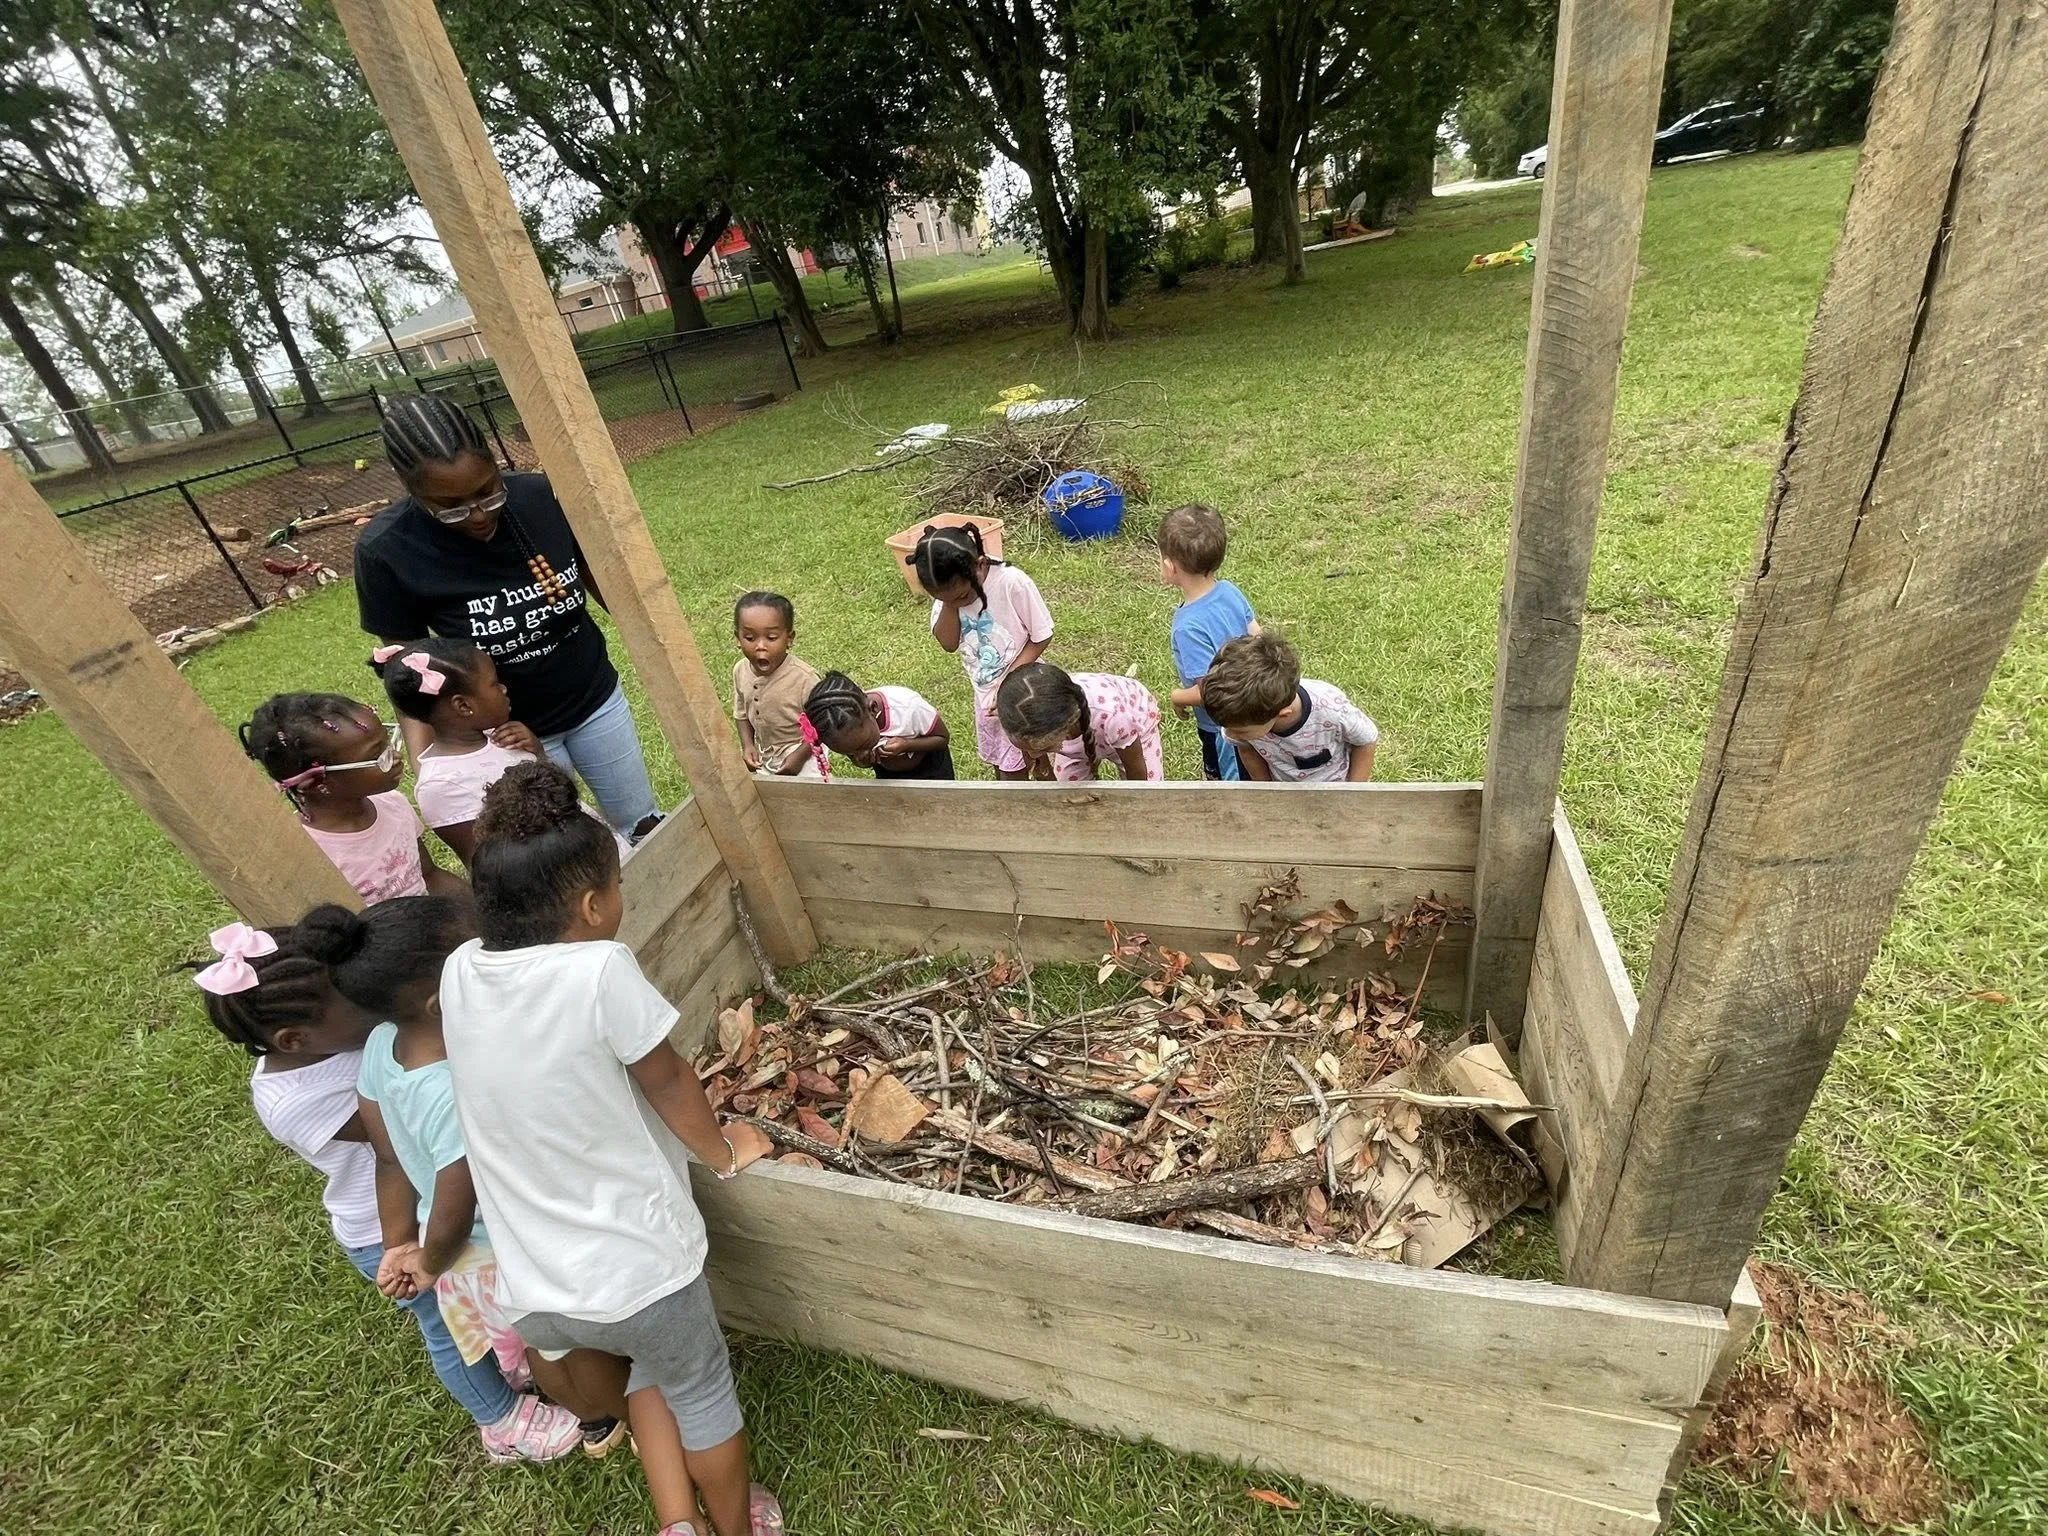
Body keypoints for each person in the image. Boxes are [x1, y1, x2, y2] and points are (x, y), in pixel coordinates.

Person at [441, 761, 783, 1536]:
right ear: (594, 904)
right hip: (637, 1269)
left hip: (535, 1285)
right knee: (699, 1391)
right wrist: (722, 1151)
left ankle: (676, 1524)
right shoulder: (598, 968)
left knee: (644, 1382)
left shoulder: (461, 970)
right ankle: (735, 1525)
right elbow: (665, 1079)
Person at [188, 921, 582, 1464]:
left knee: (479, 1291)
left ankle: (512, 1349)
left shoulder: (359, 1040)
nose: (362, 996)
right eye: (346, 995)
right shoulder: (294, 1099)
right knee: (446, 1326)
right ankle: (500, 1419)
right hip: (386, 1229)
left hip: (431, 1202)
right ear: (295, 1040)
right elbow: (403, 1133)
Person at [294, 897, 628, 1459]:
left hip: (455, 1249)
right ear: (440, 1001)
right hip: (500, 1243)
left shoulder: (380, 1048)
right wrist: (428, 1261)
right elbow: (459, 1191)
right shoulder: (454, 1086)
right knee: (567, 1341)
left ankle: (593, 1426)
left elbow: (389, 1158)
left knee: (539, 1342)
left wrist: (400, 1239)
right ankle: (620, 1411)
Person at [353, 393, 662, 841]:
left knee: (642, 824)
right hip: (504, 738)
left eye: (488, 492)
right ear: (412, 489)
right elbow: (412, 675)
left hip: (596, 700)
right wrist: (428, 767)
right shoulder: (387, 550)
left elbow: (605, 582)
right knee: (567, 846)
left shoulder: (538, 498)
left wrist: (657, 646)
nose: (478, 515)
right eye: (451, 506)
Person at [372, 639, 629, 868]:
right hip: (562, 877)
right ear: (463, 705)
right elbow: (486, 865)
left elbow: (553, 791)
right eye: (494, 684)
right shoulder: (440, 784)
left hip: (596, 851)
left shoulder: (500, 736)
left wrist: (537, 751)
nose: (504, 689)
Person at [240, 692, 464, 905]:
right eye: (378, 756)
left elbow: (429, 875)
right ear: (319, 783)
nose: (396, 756)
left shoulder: (393, 804)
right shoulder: (306, 852)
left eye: (388, 743)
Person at [906, 524, 1052, 780]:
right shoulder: (950, 594)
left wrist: (1008, 683)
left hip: (1026, 688)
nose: (958, 603)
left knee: (1037, 760)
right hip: (987, 697)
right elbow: (949, 643)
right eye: (944, 599)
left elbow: (1041, 636)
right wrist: (951, 605)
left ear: (980, 564)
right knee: (1003, 764)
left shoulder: (1011, 582)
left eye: (962, 596)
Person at [1155, 503, 1258, 781]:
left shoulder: (1188, 627)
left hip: (1223, 727)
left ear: (1169, 566)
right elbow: (1257, 637)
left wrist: (1177, 697)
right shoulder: (1230, 591)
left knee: (1227, 784)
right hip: (1257, 709)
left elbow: (1208, 692)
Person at [1201, 632, 1379, 782]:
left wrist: (1354, 792)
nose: (1229, 735)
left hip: (1334, 787)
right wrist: (1266, 791)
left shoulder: (1332, 711)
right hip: (1284, 789)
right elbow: (1246, 749)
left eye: (1241, 732)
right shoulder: (1241, 719)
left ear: (1282, 715)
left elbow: (1366, 741)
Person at [995, 661, 1164, 782]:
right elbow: (1045, 777)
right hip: (1080, 735)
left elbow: (1138, 779)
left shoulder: (1114, 716)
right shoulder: (1021, 720)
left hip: (1135, 726)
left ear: (1068, 723)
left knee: (1152, 796)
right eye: (1025, 749)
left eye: (1043, 749)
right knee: (1070, 797)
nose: (1031, 755)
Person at [730, 592, 821, 778]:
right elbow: (741, 714)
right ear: (738, 638)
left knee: (812, 800)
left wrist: (799, 757)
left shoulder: (804, 678)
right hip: (766, 756)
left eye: (771, 637)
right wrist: (748, 746)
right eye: (749, 637)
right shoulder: (740, 671)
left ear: (789, 638)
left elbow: (822, 725)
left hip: (804, 752)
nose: (760, 646)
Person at [800, 671, 954, 780]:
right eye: (851, 753)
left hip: (932, 769)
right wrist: (861, 761)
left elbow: (942, 738)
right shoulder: (844, 731)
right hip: (889, 777)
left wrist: (907, 745)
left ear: (873, 709)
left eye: (863, 747)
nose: (860, 753)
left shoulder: (908, 708)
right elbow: (860, 758)